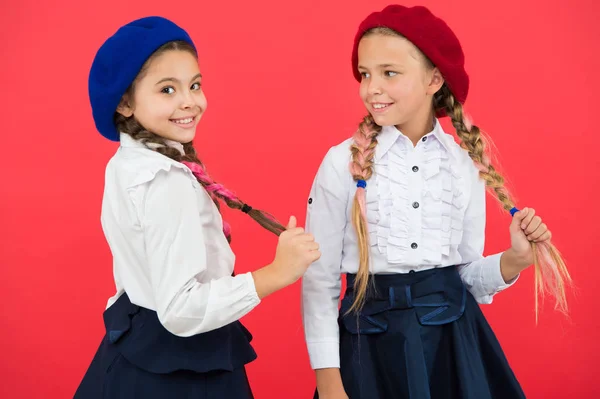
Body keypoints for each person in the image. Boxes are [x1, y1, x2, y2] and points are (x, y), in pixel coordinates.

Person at [301, 5, 570, 398]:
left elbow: (466, 276)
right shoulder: (340, 162)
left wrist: (515, 259)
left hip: (451, 349)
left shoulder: (463, 165)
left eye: (389, 73)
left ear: (434, 79)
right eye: (365, 74)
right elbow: (319, 279)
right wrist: (328, 381)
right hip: (369, 350)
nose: (371, 87)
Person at [75, 16, 320, 398]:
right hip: (181, 373)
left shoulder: (126, 164)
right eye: (167, 89)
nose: (189, 100)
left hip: (136, 353)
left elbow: (137, 276)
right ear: (124, 102)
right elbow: (180, 309)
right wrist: (278, 272)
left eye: (194, 85)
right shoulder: (164, 182)